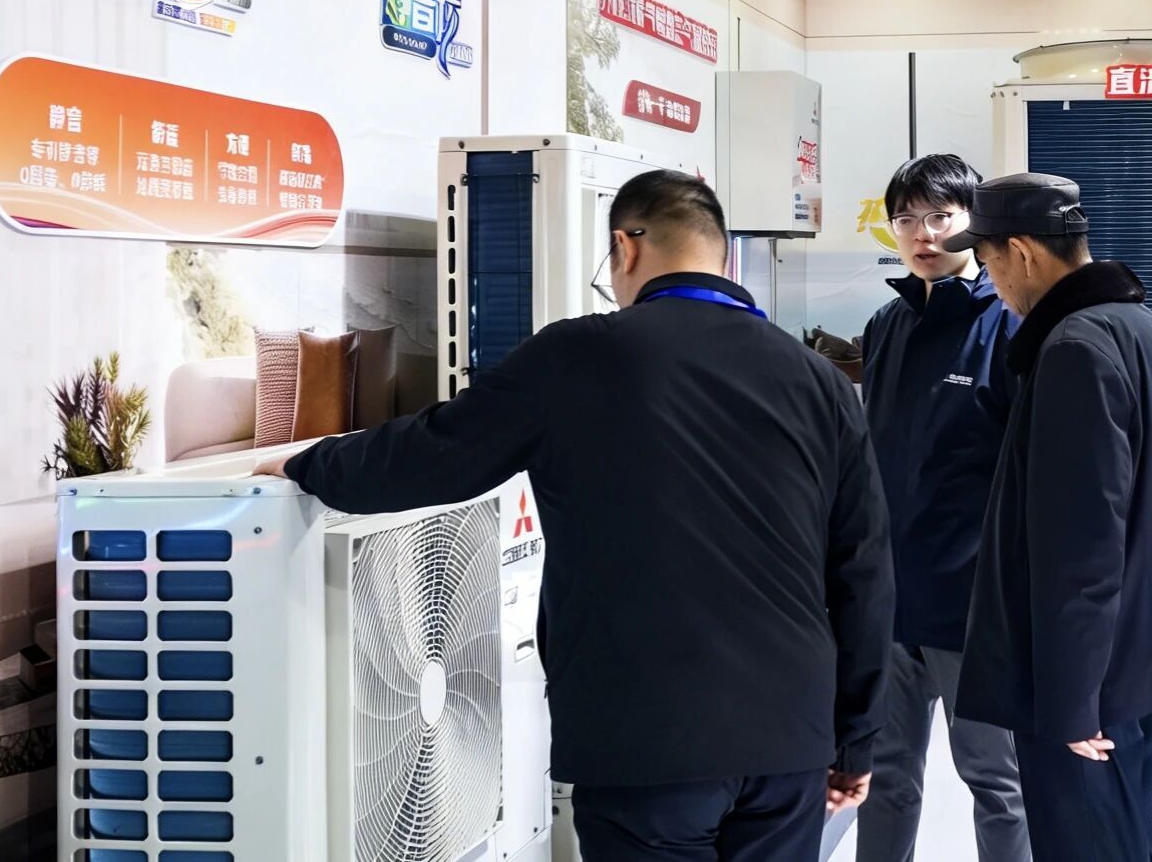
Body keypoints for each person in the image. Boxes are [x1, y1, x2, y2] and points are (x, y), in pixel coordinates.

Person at [256, 170, 892, 862]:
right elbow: (863, 569)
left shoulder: (577, 354)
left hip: (641, 736)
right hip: (789, 736)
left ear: (625, 247)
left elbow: (433, 453)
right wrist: (856, 738)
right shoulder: (820, 381)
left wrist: (309, 463)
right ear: (722, 257)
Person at [949, 172, 1152, 862]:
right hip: (1139, 658)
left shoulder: (1073, 347)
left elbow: (1083, 543)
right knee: (1126, 839)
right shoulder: (1147, 330)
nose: (993, 286)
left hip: (1089, 680)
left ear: (1022, 252)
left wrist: (1071, 699)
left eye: (989, 263)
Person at [855, 155, 1032, 862]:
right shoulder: (886, 324)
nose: (922, 234)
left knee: (997, 781)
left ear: (972, 222)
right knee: (883, 778)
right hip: (890, 603)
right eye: (906, 219)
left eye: (939, 216)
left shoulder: (1009, 324)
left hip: (972, 605)